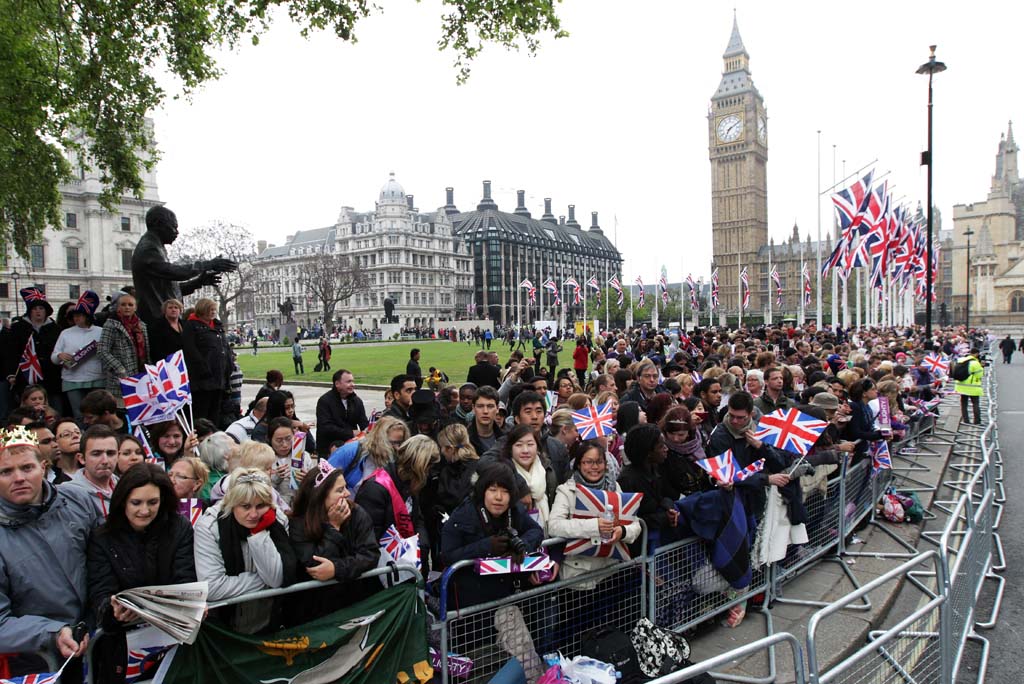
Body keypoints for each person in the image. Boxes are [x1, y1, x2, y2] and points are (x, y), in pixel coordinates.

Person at [0, 425, 98, 680]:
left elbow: (105, 561)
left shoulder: (78, 500)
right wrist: (52, 633)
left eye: (27, 468)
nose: (18, 477)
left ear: (43, 467)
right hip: (35, 660)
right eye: (6, 471)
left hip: (96, 642)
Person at [86, 464, 196, 682]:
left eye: (152, 502)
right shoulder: (103, 537)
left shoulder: (179, 527)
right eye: (136, 503)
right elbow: (100, 590)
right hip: (122, 646)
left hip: (175, 639)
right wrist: (112, 610)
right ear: (123, 501)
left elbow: (185, 577)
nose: (144, 511)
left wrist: (193, 605)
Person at [193, 467, 296, 634]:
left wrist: (258, 533)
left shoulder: (278, 521)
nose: (253, 514)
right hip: (222, 627)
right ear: (233, 504)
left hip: (268, 621)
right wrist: (266, 580)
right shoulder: (209, 526)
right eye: (245, 506)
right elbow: (212, 587)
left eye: (260, 505)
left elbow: (276, 579)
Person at [440, 461, 545, 610]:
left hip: (506, 596)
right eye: (493, 490)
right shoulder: (463, 514)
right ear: (483, 491)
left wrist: (521, 546)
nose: (499, 497)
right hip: (470, 603)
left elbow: (536, 531)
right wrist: (486, 547)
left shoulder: (514, 509)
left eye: (505, 491)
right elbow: (447, 555)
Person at [288, 460, 379, 619]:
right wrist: (333, 527)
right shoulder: (299, 522)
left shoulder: (357, 514)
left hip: (353, 602)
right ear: (321, 495)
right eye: (339, 490)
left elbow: (370, 555)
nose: (347, 493)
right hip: (313, 609)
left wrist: (337, 569)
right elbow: (314, 565)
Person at [548, 440, 642, 580]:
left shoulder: (614, 487)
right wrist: (595, 526)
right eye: (588, 462)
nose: (594, 467)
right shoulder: (567, 490)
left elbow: (635, 523)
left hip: (613, 569)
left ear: (605, 465)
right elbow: (554, 526)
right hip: (580, 575)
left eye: (599, 462)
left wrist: (622, 531)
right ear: (579, 464)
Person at [130, 205, 236, 325]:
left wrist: (198, 282)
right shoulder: (148, 249)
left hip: (163, 320)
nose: (177, 232)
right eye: (173, 227)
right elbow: (174, 272)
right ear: (158, 224)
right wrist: (208, 265)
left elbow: (172, 290)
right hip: (157, 321)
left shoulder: (156, 247)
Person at [354, 434, 438, 549]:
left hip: (407, 557)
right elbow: (369, 536)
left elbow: (417, 519)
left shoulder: (410, 483)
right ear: (420, 467)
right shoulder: (375, 488)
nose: (429, 473)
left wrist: (421, 545)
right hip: (384, 559)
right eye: (429, 467)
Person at [617, 424, 679, 552]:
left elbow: (666, 496)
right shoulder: (628, 481)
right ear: (648, 452)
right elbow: (631, 521)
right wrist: (664, 518)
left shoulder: (655, 469)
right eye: (661, 446)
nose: (666, 449)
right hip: (638, 549)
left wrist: (669, 508)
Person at [3, 288, 64, 416]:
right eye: (35, 308)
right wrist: (11, 373)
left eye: (41, 309)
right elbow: (10, 353)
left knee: (54, 411)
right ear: (30, 311)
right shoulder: (18, 328)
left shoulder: (55, 329)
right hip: (25, 378)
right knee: (26, 413)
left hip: (51, 378)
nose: (38, 311)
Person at [51, 290, 105, 419]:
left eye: (79, 315)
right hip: (72, 380)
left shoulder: (101, 332)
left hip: (97, 380)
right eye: (74, 316)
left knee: (97, 414)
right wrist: (59, 356)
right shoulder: (65, 333)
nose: (76, 318)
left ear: (87, 315)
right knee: (79, 415)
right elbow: (54, 356)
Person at [498, 424, 557, 532]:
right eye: (519, 445)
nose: (525, 450)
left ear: (537, 447)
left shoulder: (548, 470)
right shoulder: (503, 475)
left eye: (530, 444)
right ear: (510, 448)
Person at [183, 297, 230, 427]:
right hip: (203, 378)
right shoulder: (192, 325)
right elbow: (190, 349)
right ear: (203, 310)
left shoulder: (217, 326)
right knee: (202, 412)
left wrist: (228, 366)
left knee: (215, 411)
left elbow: (224, 347)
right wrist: (202, 367)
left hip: (219, 376)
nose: (213, 312)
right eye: (211, 309)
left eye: (214, 309)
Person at [97, 291, 150, 403]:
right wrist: (119, 369)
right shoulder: (111, 324)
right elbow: (102, 350)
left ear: (135, 308)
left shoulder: (142, 325)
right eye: (123, 304)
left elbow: (146, 350)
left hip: (141, 375)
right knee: (122, 411)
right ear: (118, 307)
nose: (127, 307)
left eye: (130, 305)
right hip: (120, 378)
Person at [65, 424, 120, 518]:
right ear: (81, 458)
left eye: (111, 453)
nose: (105, 461)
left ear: (118, 456)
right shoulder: (68, 495)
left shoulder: (125, 487)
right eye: (96, 454)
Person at [315, 369, 369, 457]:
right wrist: (350, 433)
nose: (352, 385)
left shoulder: (357, 401)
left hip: (351, 448)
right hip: (328, 450)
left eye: (353, 381)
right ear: (337, 384)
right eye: (348, 382)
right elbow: (325, 427)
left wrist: (368, 432)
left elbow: (364, 423)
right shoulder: (324, 401)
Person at [267, 416, 314, 506]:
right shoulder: (263, 459)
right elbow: (259, 491)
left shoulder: (304, 457)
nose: (284, 445)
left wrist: (308, 480)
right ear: (270, 439)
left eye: (288, 439)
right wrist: (274, 480)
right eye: (279, 440)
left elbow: (316, 489)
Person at [148, 298, 196, 365]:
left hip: (186, 362)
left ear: (180, 310)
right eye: (170, 308)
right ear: (165, 310)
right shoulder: (157, 326)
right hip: (168, 362)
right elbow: (156, 349)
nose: (173, 310)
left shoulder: (185, 324)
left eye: (176, 308)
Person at [198, 431, 235, 498]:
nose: (240, 447)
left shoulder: (204, 478)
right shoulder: (225, 483)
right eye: (235, 444)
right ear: (226, 455)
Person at [467, 386, 503, 456]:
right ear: (473, 408)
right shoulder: (464, 440)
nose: (485, 411)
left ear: (497, 408)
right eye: (480, 406)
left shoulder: (506, 439)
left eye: (490, 406)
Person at [954, 348, 985, 425]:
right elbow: (980, 375)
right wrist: (982, 367)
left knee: (964, 404)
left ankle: (966, 420)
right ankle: (977, 421)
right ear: (976, 354)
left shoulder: (960, 360)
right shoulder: (975, 363)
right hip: (972, 387)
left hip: (961, 386)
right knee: (975, 404)